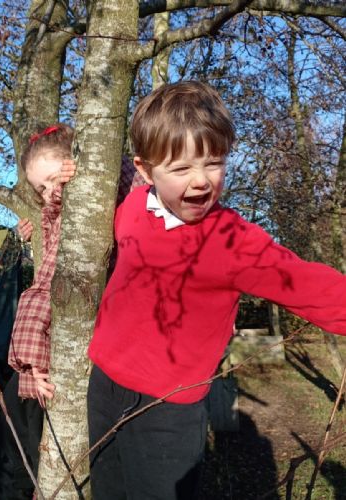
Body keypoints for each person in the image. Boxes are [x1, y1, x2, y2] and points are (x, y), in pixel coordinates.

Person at [85, 81, 346, 499]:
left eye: (213, 163)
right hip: (103, 386)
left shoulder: (233, 242)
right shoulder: (132, 208)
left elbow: (311, 286)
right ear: (146, 170)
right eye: (181, 169)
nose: (201, 181)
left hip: (167, 410)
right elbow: (80, 221)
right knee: (106, 491)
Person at [0, 124, 143, 500]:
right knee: (16, 416)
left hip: (89, 347)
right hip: (54, 347)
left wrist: (93, 166)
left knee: (26, 423)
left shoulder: (117, 201)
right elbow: (45, 284)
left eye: (51, 181)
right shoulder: (62, 218)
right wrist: (29, 366)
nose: (48, 194)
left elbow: (136, 182)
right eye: (41, 189)